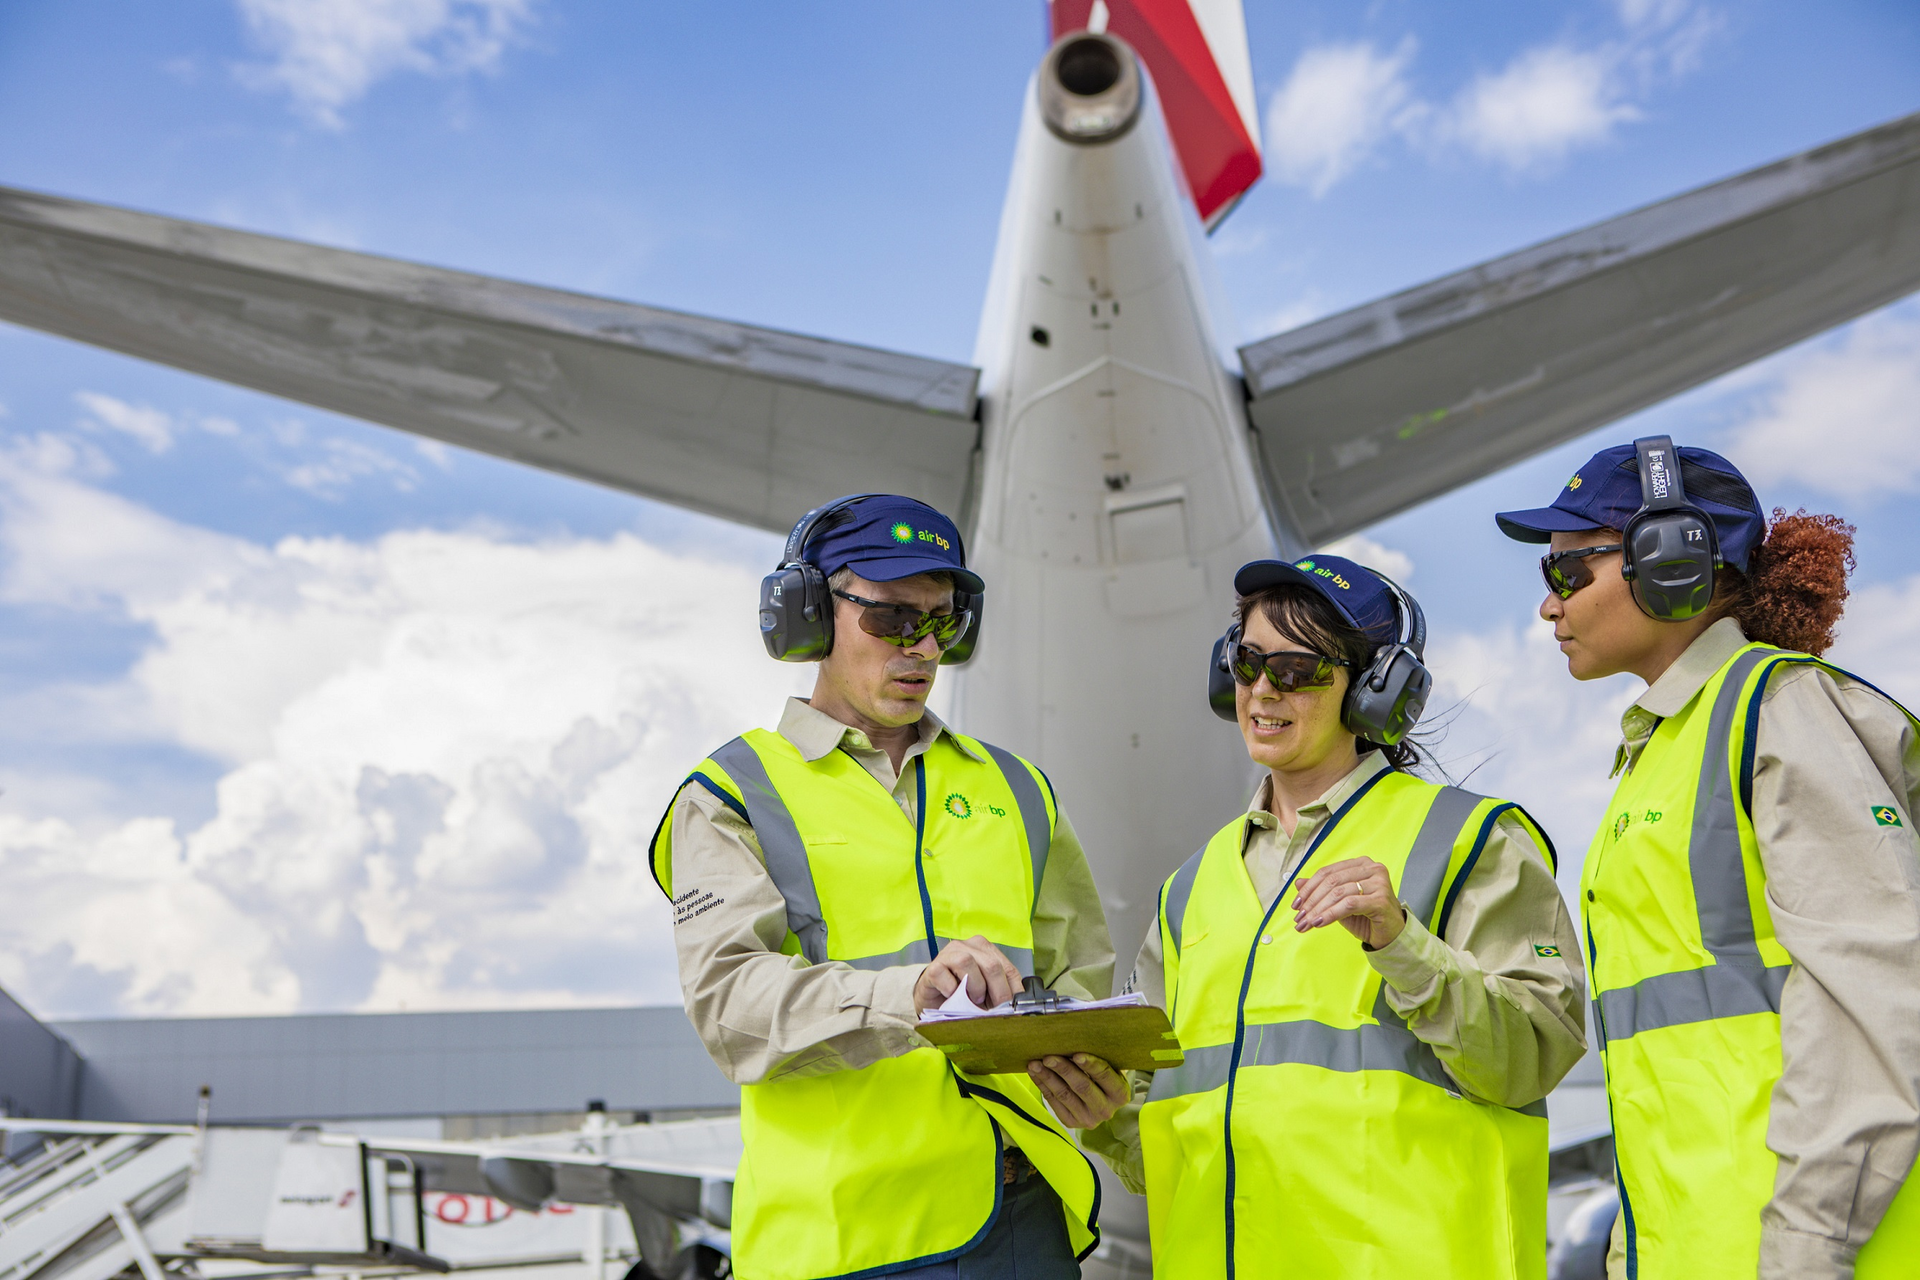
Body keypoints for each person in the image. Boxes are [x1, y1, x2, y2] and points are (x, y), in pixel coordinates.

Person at [649, 494, 1128, 1280]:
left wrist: (1094, 1073)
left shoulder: (1019, 789)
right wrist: (913, 997)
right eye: (894, 619)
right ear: (808, 615)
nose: (925, 648)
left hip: (1020, 1223)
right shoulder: (732, 793)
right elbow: (730, 1010)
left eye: (942, 621)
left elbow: (1078, 985)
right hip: (843, 1238)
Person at [1077, 554, 1586, 1278]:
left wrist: (1404, 945)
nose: (1262, 690)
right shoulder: (1189, 889)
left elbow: (1531, 1058)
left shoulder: (1469, 840)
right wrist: (1101, 1113)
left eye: (1298, 670)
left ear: (1374, 692)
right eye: (1247, 662)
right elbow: (1170, 1146)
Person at [1495, 436, 1920, 1279]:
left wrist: (1807, 1251)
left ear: (1671, 559)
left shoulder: (1781, 711)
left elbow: (1874, 999)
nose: (1548, 606)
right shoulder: (1667, 749)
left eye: (1567, 572)